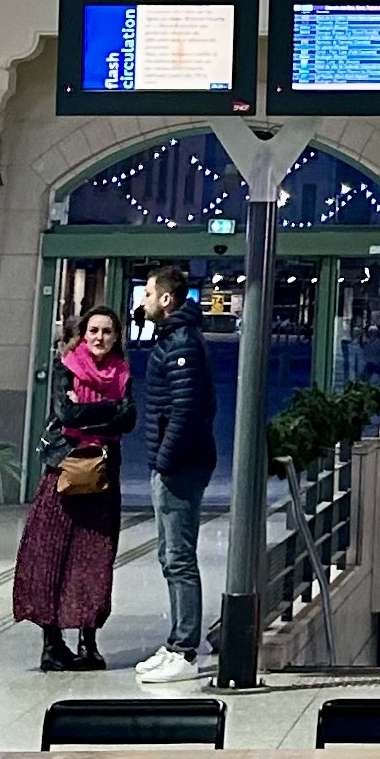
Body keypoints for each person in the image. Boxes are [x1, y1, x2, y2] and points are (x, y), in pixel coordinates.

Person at [12, 302, 133, 669]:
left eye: (107, 332)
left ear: (116, 337)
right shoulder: (66, 367)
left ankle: (88, 642)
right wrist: (109, 409)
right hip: (63, 472)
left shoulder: (122, 372)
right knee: (50, 556)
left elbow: (128, 419)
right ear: (83, 334)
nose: (100, 337)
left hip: (102, 475)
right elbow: (66, 415)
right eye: (93, 330)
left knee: (94, 558)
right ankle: (51, 645)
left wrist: (89, 412)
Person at [136, 264, 219, 682]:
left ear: (166, 299)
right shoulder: (172, 338)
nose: (144, 301)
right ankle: (176, 643)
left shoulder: (182, 342)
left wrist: (165, 460)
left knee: (179, 557)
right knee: (169, 556)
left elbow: (187, 409)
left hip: (181, 465)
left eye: (149, 294)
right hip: (175, 462)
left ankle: (185, 650)